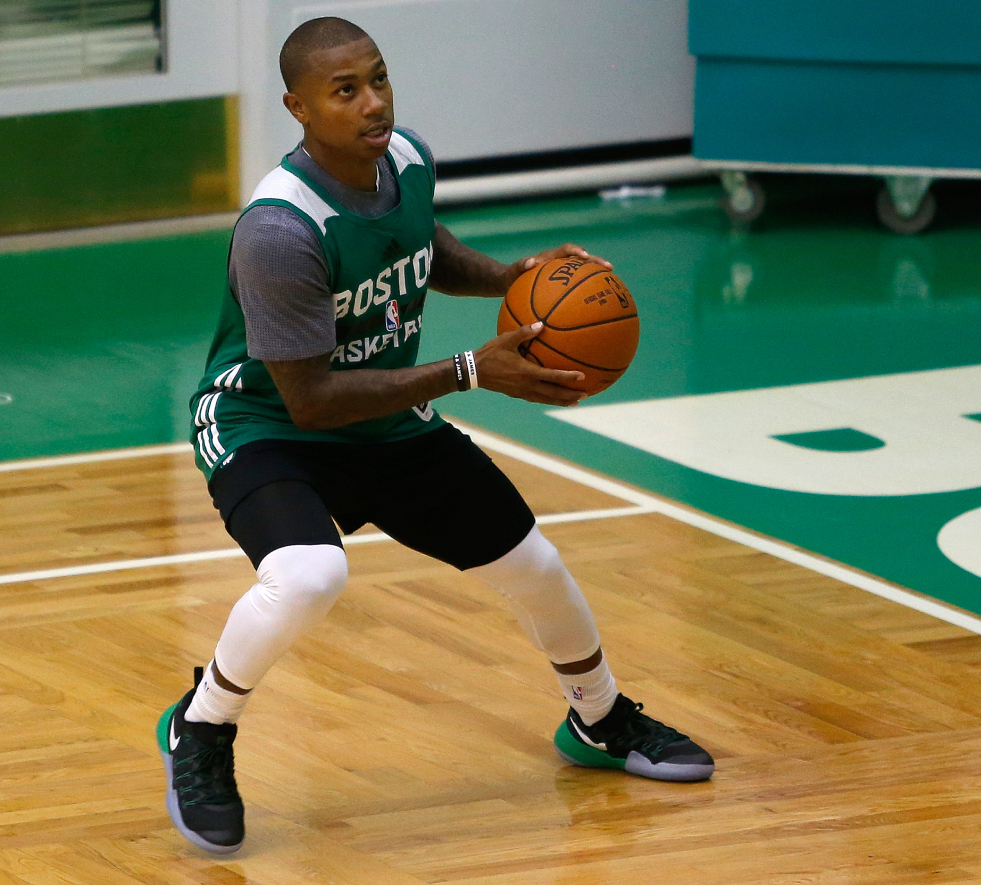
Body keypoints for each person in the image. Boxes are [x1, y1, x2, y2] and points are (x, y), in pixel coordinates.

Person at [156, 16, 713, 856]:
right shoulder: (280, 229)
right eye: (346, 91)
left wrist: (512, 278)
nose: (373, 103)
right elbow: (309, 401)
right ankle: (201, 728)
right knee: (309, 574)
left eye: (378, 79)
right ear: (298, 107)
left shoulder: (406, 159)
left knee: (536, 565)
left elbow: (423, 247)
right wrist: (469, 370)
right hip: (265, 424)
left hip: (384, 418)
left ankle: (598, 719)